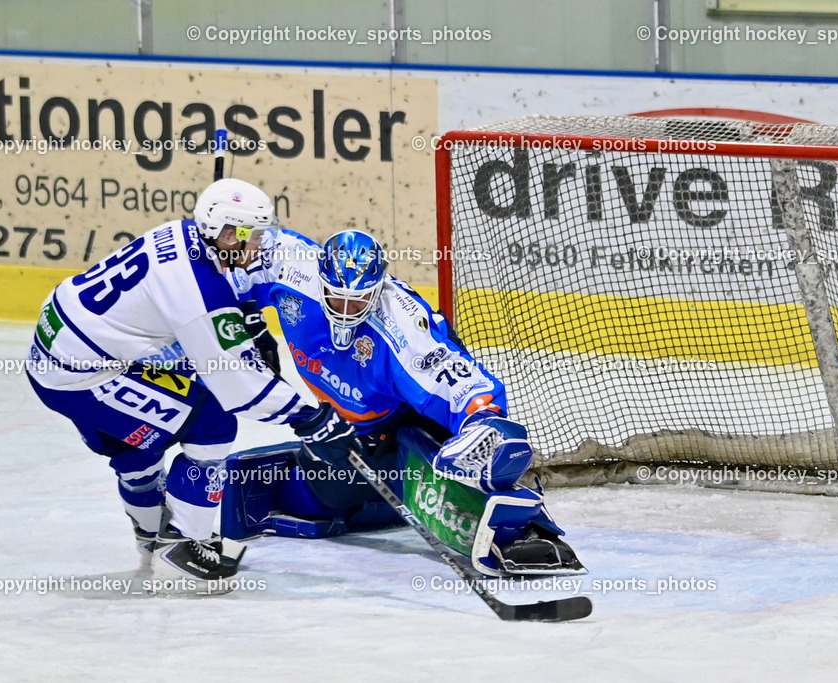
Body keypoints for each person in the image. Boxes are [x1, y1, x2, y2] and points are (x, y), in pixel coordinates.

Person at [25, 178, 358, 589]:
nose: (258, 246)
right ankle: (183, 548)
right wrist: (309, 418)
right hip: (83, 374)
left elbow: (196, 309)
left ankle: (152, 540)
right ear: (227, 234)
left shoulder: (182, 233)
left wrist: (245, 316)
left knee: (139, 445)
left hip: (62, 348)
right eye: (251, 237)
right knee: (212, 422)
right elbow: (240, 384)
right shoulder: (201, 290)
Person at [227, 228, 584, 576]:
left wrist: (482, 420)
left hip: (408, 410)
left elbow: (454, 378)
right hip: (358, 421)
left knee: (426, 457)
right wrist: (245, 317)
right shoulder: (292, 269)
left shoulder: (399, 328)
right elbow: (245, 250)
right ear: (320, 283)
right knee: (315, 494)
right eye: (338, 298)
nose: (349, 310)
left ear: (378, 288)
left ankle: (528, 527)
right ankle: (396, 484)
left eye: (361, 299)